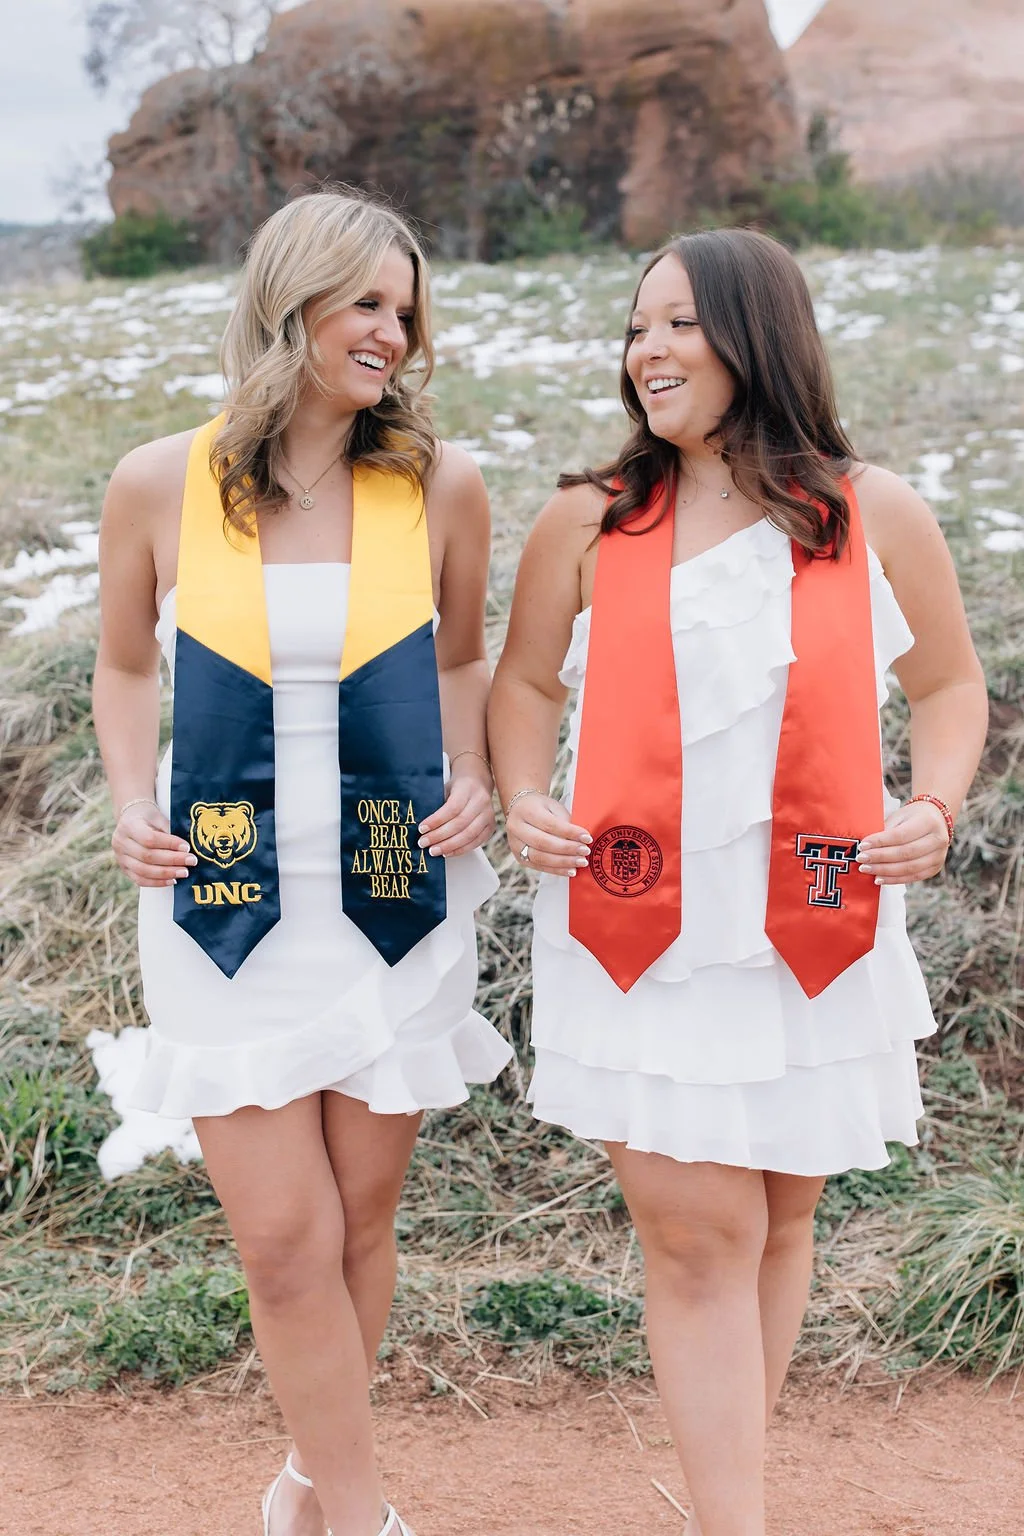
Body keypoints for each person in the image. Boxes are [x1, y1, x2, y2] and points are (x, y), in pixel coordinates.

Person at [487, 227, 988, 1536]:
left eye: (678, 324)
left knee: (776, 1221)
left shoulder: (870, 512)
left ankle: (728, 1504)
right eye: (635, 327)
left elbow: (947, 684)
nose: (645, 351)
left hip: (812, 916)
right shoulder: (590, 519)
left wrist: (934, 806)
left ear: (756, 334)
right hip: (641, 923)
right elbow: (525, 683)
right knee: (699, 1236)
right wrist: (527, 794)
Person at [93, 187, 512, 1536]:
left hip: (391, 880)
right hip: (220, 887)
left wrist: (477, 771)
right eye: (366, 302)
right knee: (283, 1240)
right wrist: (126, 797)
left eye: (407, 309)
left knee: (358, 1222)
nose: (393, 331)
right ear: (293, 301)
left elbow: (463, 659)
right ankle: (367, 1515)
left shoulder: (439, 485)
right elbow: (123, 666)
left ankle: (308, 1488)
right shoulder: (160, 481)